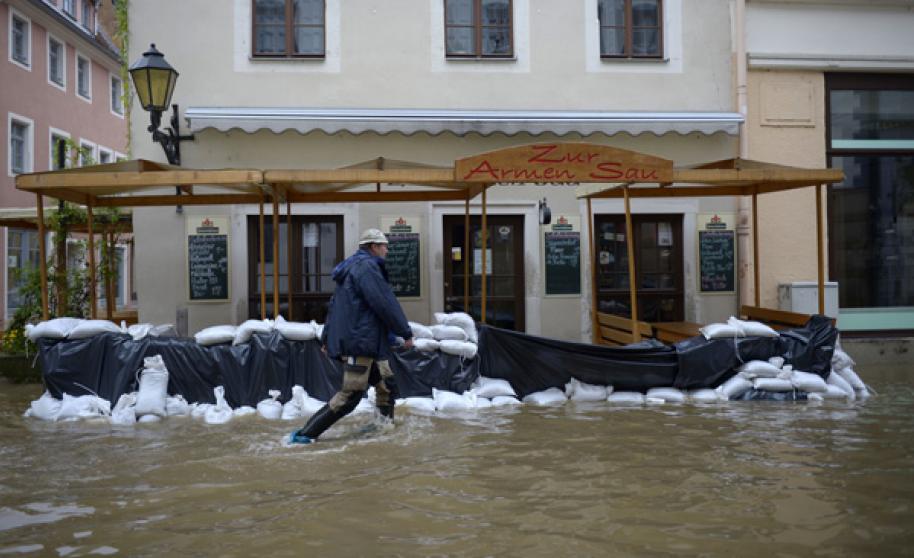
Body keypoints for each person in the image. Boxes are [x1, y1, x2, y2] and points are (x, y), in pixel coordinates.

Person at [290, 228, 414, 444]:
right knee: (350, 396)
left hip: (370, 342)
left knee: (386, 385)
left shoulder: (354, 268)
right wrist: (405, 333)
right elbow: (384, 303)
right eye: (384, 246)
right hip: (361, 342)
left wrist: (328, 337)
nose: (387, 250)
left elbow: (336, 305)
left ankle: (382, 426)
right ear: (374, 247)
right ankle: (306, 434)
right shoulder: (367, 268)